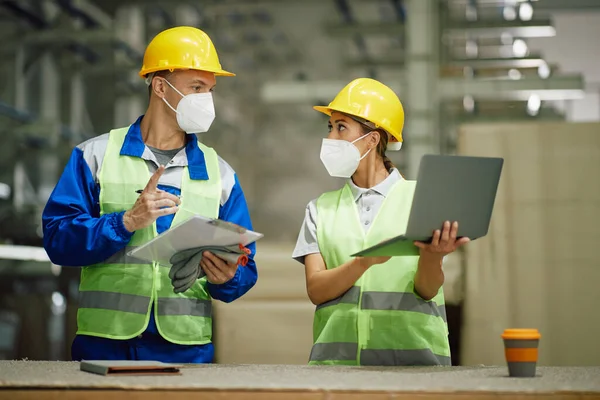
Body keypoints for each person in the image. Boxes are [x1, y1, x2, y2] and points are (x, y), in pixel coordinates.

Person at [42, 26, 257, 363]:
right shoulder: (95, 156)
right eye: (196, 87)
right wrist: (125, 222)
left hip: (187, 352)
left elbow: (245, 265)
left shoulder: (221, 175)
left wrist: (230, 277)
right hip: (105, 345)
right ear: (160, 86)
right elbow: (57, 240)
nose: (206, 100)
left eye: (211, 90)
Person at [292, 78, 470, 366]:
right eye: (330, 127)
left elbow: (427, 289)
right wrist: (362, 263)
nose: (331, 138)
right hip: (337, 370)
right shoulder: (319, 209)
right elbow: (316, 290)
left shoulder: (421, 199)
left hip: (414, 371)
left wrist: (432, 257)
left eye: (341, 127)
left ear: (372, 139)